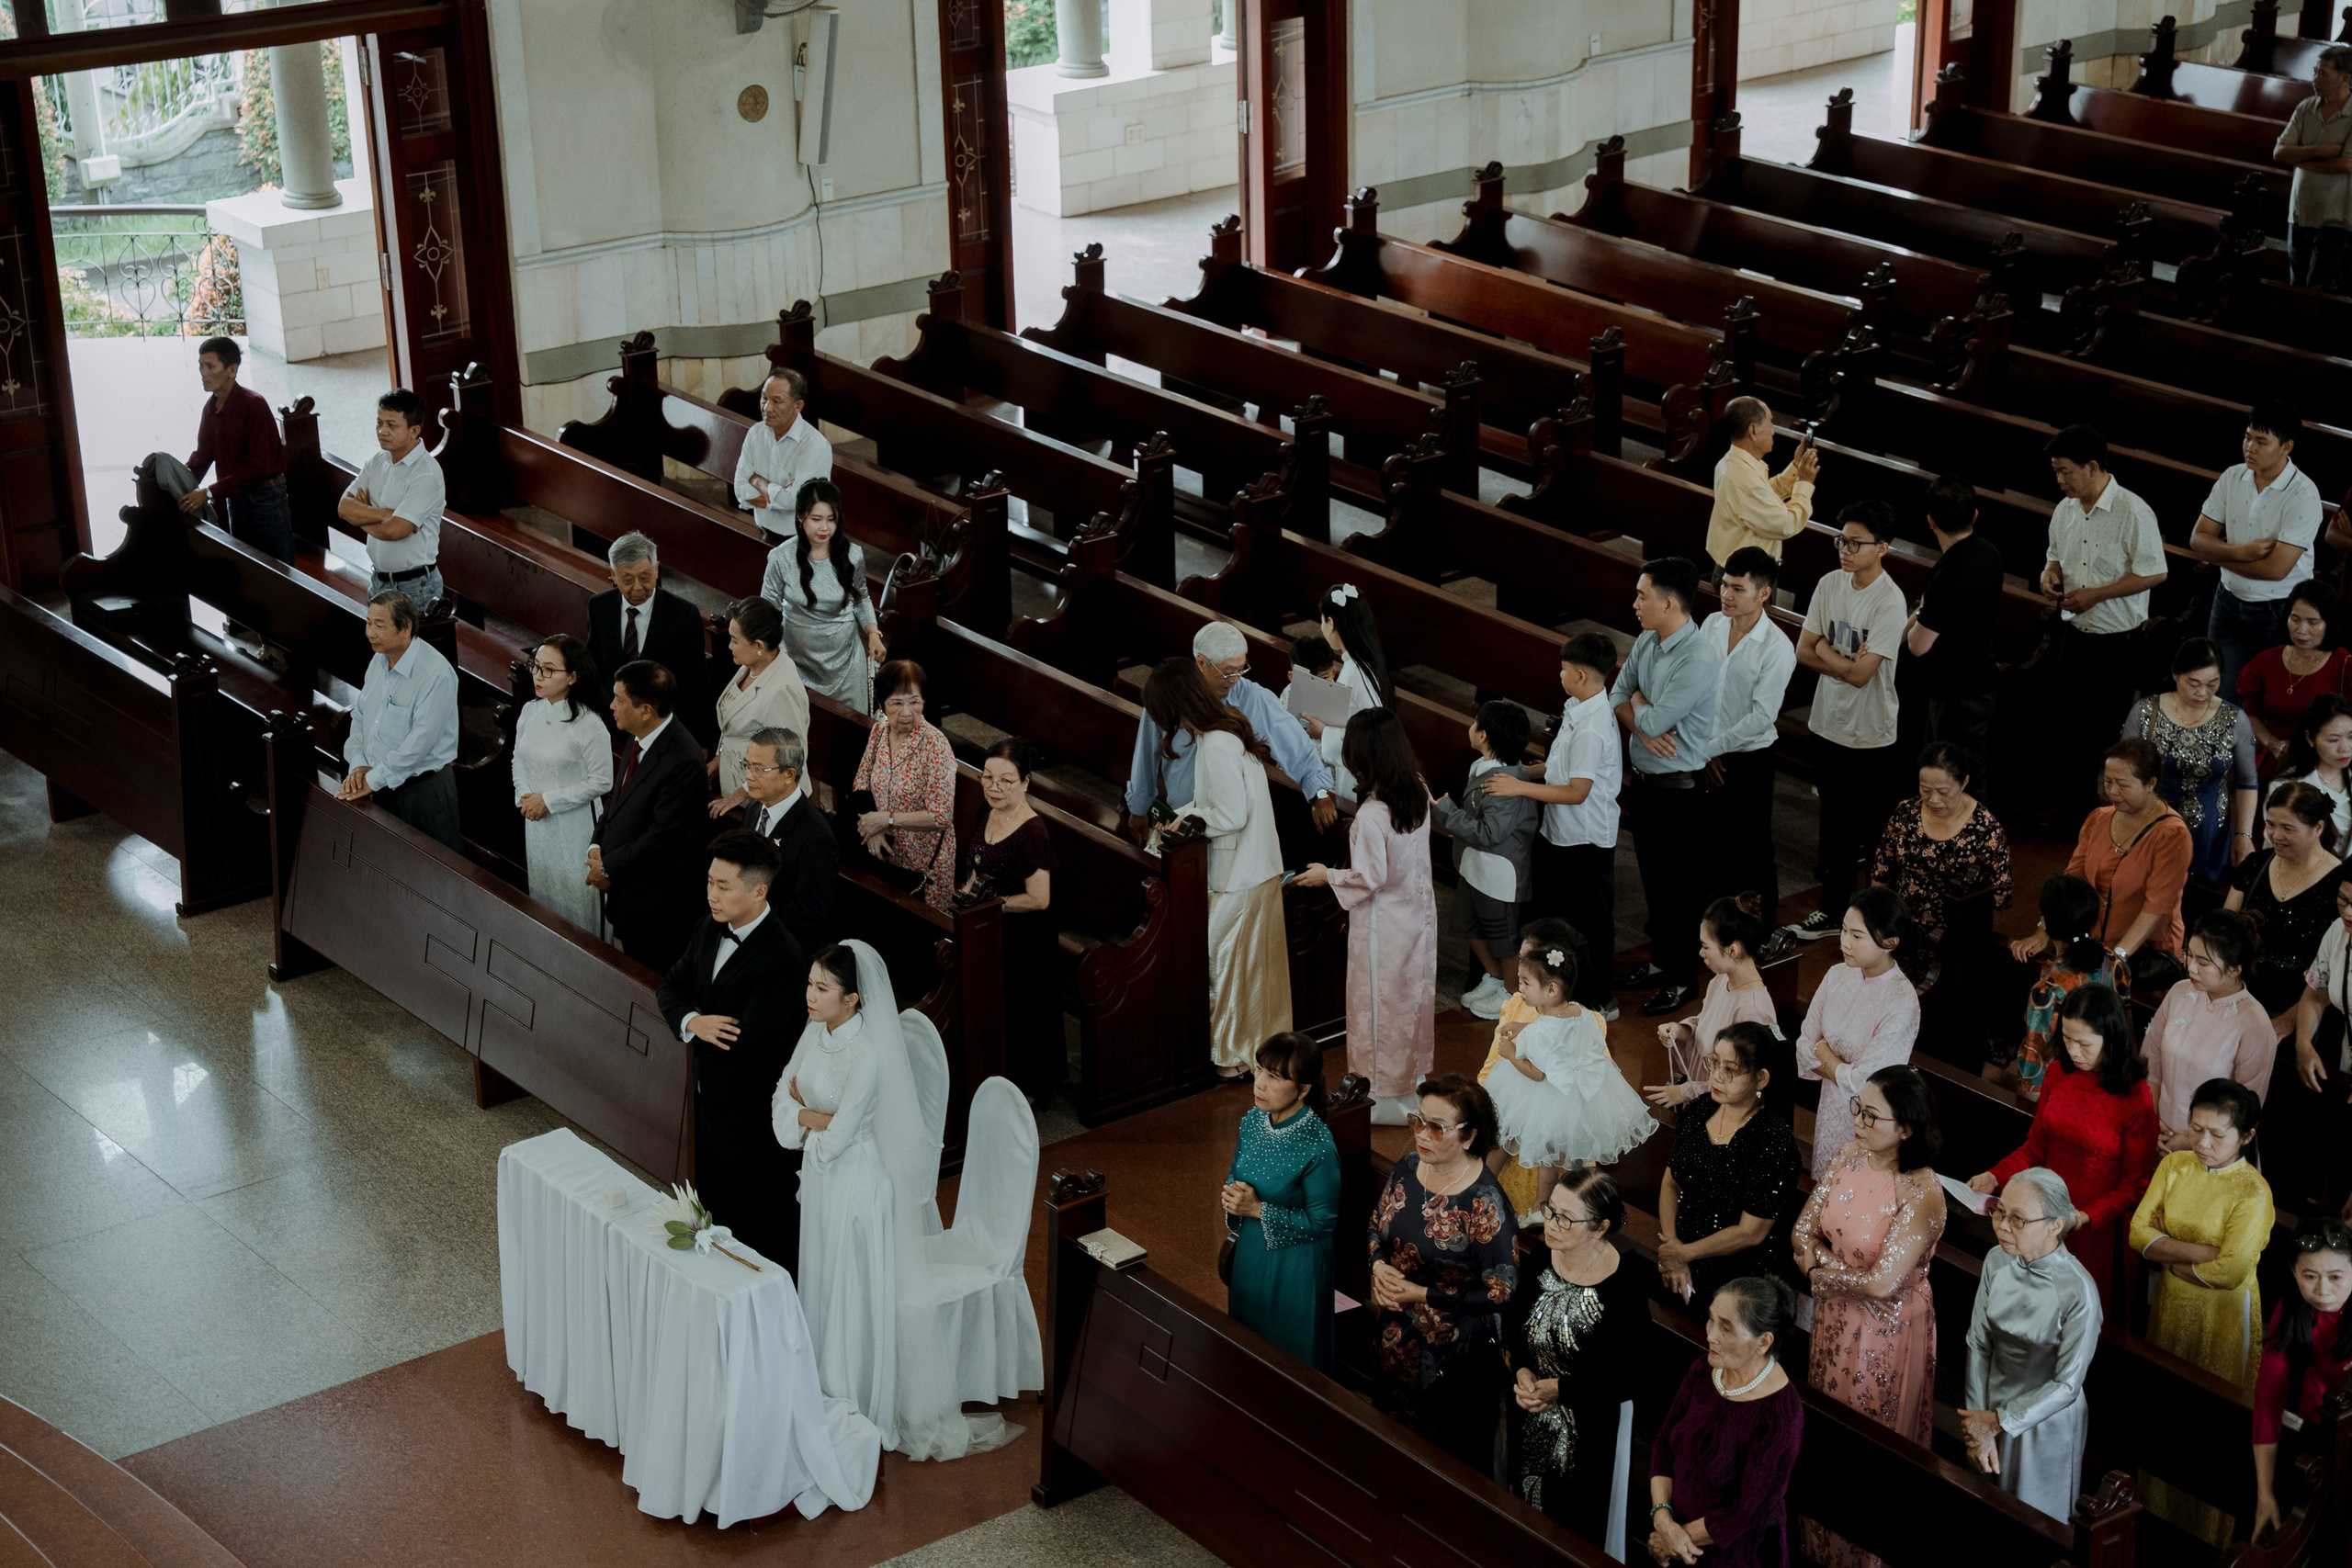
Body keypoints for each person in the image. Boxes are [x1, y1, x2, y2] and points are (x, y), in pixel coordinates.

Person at [773, 941, 1022, 1461]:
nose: (810, 995)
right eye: (811, 984)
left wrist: (806, 1115)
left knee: (853, 1291)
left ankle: (857, 1397)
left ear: (854, 999)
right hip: (821, 1180)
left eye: (823, 988)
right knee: (821, 1279)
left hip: (857, 1189)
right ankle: (821, 1382)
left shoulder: (869, 1056)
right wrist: (807, 1117)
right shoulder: (814, 1030)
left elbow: (840, 1139)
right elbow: (779, 1103)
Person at [1792, 1065, 1946, 1568]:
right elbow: (1802, 1231)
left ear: (1906, 1128)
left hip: (1886, 1330)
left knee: (1867, 1445)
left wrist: (1819, 1271)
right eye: (1858, 1108)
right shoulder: (1849, 1155)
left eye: (1871, 1115)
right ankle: (1819, 1547)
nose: (1857, 1120)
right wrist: (1823, 1270)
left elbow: (1884, 1283)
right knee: (1828, 1431)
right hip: (1835, 1317)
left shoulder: (1920, 1193)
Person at [657, 830, 808, 1269]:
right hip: (710, 1103)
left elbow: (746, 1042)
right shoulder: (709, 927)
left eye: (723, 886)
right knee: (715, 1211)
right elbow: (671, 987)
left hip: (754, 1114)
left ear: (759, 891)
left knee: (760, 1224)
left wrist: (702, 1030)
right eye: (709, 882)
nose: (711, 894)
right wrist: (693, 1022)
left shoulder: (783, 958)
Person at [1146, 657, 1293, 1079]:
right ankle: (1255, 1046)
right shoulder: (1223, 730)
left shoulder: (1216, 743)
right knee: (1249, 966)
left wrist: (1190, 820)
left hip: (1240, 871)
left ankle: (1231, 1054)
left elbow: (1230, 816)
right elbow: (1222, 804)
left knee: (1224, 964)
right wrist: (1182, 814)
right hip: (1252, 865)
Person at [1969, 984, 2157, 1312]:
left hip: (2095, 1229)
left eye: (2084, 1043)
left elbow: (2135, 1185)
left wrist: (2087, 1216)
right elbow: (2035, 1148)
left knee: (2074, 1316)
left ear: (2111, 1039)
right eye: (2067, 1039)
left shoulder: (2135, 1098)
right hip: (2041, 1215)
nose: (2074, 1051)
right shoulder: (2058, 1074)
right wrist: (1994, 1175)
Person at [1367, 1074, 1517, 1471]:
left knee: (1439, 1451)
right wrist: (1378, 1268)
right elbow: (1374, 1225)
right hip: (1394, 1329)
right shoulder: (1408, 1166)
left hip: (1452, 1351)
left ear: (1468, 1137)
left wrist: (1422, 1296)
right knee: (1391, 1435)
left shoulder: (1485, 1203)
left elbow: (1501, 1293)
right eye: (1418, 1121)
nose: (1422, 1134)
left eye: (1436, 1127)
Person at [1296, 711, 1434, 1126]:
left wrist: (1327, 874)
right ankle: (1413, 1081)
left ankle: (1380, 1093)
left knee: (1380, 1006)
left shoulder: (1374, 813)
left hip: (1383, 925)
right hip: (1418, 915)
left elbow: (1371, 877)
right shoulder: (1418, 789)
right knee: (1411, 1001)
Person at [1507, 1168, 1652, 1555]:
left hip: (1589, 1429)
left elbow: (1631, 1376)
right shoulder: (1541, 1257)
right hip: (1530, 1410)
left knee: (1574, 1526)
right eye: (1550, 1210)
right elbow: (1515, 1327)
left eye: (1566, 1219)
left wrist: (1561, 1389)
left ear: (1601, 1227)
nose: (1551, 1224)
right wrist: (1520, 1372)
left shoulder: (1625, 1287)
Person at [1785, 502, 1909, 943]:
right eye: (1842, 540)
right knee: (1834, 826)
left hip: (1870, 733)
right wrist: (1842, 663)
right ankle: (1831, 912)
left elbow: (1863, 676)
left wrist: (1830, 659)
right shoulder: (1829, 583)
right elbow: (1803, 651)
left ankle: (1877, 921)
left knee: (1872, 831)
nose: (1845, 549)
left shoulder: (1889, 602)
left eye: (1855, 543)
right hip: (1827, 722)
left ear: (1883, 549)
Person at [1484, 633, 1623, 1021]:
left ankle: (1599, 999)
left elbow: (1578, 790)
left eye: (1563, 669)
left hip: (1584, 838)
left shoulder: (1593, 725)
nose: (1559, 674)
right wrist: (1523, 772)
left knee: (1590, 923)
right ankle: (1558, 989)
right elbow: (1559, 765)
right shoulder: (1579, 706)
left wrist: (1518, 786)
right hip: (1559, 832)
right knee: (1558, 914)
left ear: (1579, 674)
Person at [1611, 558, 1725, 1013]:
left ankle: (1683, 979)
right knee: (1655, 885)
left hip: (1681, 792)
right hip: (1645, 785)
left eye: (1642, 595)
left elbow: (1654, 717)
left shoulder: (1697, 657)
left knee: (1682, 891)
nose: (1635, 603)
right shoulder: (1646, 640)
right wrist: (1641, 715)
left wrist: (1640, 712)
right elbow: (1617, 694)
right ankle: (1661, 962)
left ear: (1670, 602)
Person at [1960, 1168, 2104, 1524]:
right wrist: (1978, 1423)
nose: (2003, 1226)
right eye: (2000, 1212)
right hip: (1989, 1400)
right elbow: (1978, 1342)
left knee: (2036, 1523)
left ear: (2055, 1225)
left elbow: (2067, 1384)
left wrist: (1999, 1421)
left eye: (2018, 1219)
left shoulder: (2078, 1290)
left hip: (2046, 1420)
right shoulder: (1997, 1261)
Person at [2042, 424, 2167, 807]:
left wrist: (2097, 594)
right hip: (2074, 634)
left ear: (2093, 467)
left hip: (2116, 643)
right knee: (2066, 726)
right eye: (2056, 471)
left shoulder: (2132, 511)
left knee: (2101, 733)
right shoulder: (2065, 509)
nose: (2059, 480)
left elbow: (2155, 572)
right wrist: (2050, 575)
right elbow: (2054, 555)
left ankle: (2097, 810)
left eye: (2066, 471)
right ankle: (2068, 809)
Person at [1645, 1275, 1804, 1568]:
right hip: (1674, 1534)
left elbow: (1746, 1512)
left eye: (1726, 1328)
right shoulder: (1703, 1370)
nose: (1711, 1335)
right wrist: (1662, 1517)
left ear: (1763, 1342)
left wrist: (1673, 1541)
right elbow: (1664, 1444)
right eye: (1711, 1320)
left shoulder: (1781, 1414)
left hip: (1732, 1554)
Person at [1126, 621, 1336, 837]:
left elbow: (1295, 747)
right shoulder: (1167, 695)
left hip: (1233, 823)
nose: (1236, 679)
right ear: (1201, 662)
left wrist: (1319, 792)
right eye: (1228, 672)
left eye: (1241, 669)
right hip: (1183, 816)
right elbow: (1146, 754)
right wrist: (1138, 809)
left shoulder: (1253, 698)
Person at [2132, 1078, 2277, 1390]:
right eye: (2196, 1129)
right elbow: (2137, 1234)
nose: (2202, 1143)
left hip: (2223, 1312)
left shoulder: (2254, 1193)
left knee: (2215, 1399)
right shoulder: (2173, 1165)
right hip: (2172, 1298)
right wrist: (2205, 1253)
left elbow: (2231, 1271)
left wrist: (2168, 1257)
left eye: (2217, 1135)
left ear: (2246, 1136)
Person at [2012, 739, 2193, 987]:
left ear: (2150, 783)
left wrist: (2115, 960)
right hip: (2093, 947)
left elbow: (2155, 909)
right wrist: (2043, 931)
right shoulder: (2099, 818)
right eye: (2108, 782)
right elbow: (2070, 883)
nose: (2113, 792)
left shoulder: (2172, 835)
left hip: (2143, 953)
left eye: (2122, 784)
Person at [1657, 1021, 1805, 1309]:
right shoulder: (1701, 1110)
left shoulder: (1773, 1141)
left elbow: (1751, 1232)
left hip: (1739, 1279)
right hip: (1680, 1257)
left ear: (1761, 1079)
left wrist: (1684, 1254)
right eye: (1714, 1063)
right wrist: (1672, 1248)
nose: (1716, 1076)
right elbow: (1670, 1181)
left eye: (1730, 1069)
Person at [1484, 942, 1656, 1182]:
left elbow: (1537, 1073)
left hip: (1542, 1095)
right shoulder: (1579, 1012)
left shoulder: (1541, 1030)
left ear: (1551, 989)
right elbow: (1559, 1033)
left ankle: (1486, 1182)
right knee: (1551, 1157)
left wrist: (1511, 1053)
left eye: (1525, 983)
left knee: (1507, 1133)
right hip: (1575, 1095)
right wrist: (1525, 1027)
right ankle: (1541, 1206)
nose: (1519, 987)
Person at [1222, 1032, 1341, 1371]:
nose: (1259, 1083)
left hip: (1297, 1263)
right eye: (1259, 1070)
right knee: (1248, 1341)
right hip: (1253, 1249)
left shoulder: (1318, 1146)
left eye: (1274, 1077)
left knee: (1291, 1353)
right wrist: (1233, 1194)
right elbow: (1237, 1170)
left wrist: (1256, 1209)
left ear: (1303, 1089)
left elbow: (1323, 1223)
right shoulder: (1254, 1120)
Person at [2191, 406, 2327, 694]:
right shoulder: (2232, 476)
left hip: (2277, 610)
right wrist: (2241, 552)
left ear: (2286, 447)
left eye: (2261, 441)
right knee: (2221, 692)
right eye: (2247, 437)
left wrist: (2219, 555)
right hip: (2227, 600)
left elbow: (2276, 570)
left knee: (2270, 695)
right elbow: (2198, 540)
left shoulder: (2302, 493)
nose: (2249, 448)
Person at [589, 660, 709, 972]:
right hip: (629, 892)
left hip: (657, 907)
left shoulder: (683, 760)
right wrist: (596, 844)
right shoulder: (638, 733)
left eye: (619, 700)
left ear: (645, 710)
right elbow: (619, 800)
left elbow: (662, 837)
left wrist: (608, 868)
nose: (611, 705)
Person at [1795, 887, 1923, 1179]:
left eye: (1857, 936)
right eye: (1843, 931)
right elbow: (1804, 1044)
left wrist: (1824, 1052)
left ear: (1890, 942)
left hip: (1873, 1120)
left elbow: (1864, 1084)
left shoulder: (1900, 1002)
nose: (1844, 942)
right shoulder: (1837, 975)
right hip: (1830, 1108)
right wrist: (1838, 1067)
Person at [963, 738, 1064, 1100]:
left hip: (1026, 940)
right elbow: (976, 865)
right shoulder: (986, 810)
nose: (994, 787)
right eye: (988, 777)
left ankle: (1029, 1089)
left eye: (1006, 780)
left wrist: (994, 905)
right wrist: (967, 897)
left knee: (1023, 1014)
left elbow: (1040, 898)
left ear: (1026, 781)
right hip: (992, 927)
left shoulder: (1033, 831)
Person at [1704, 547, 1797, 927]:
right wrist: (1704, 748)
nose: (1726, 594)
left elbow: (1761, 717)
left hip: (1747, 760)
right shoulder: (1711, 624)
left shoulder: (1776, 648)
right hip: (1706, 751)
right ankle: (1715, 929)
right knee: (1710, 845)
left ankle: (1760, 933)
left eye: (1737, 588)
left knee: (1752, 851)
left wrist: (1710, 748)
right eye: (1724, 585)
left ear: (1764, 593)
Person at [1870, 740, 2013, 980]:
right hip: (1898, 930)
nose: (1933, 800)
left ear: (1964, 782)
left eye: (1943, 792)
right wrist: (1880, 926)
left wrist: (1959, 939)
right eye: (1925, 790)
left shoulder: (1985, 830)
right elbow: (1881, 873)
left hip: (1951, 943)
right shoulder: (1906, 812)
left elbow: (1997, 901)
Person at [2120, 637, 2260, 882]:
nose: (2202, 693)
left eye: (2212, 684)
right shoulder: (2145, 712)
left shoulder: (2235, 720)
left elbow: (2247, 781)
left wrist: (2243, 835)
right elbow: (2124, 770)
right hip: (2150, 823)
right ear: (2175, 675)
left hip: (2208, 835)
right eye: (2193, 683)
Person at [1433, 700, 1539, 1020]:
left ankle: (1511, 993)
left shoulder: (1504, 782)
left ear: (1484, 736)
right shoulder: (1486, 768)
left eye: (1475, 723)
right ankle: (1494, 976)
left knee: (1502, 935)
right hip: (1475, 867)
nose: (1471, 726)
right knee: (1468, 923)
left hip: (1498, 873)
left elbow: (1491, 832)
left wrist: (1448, 814)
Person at [2143, 911, 2276, 1155]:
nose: (2191, 967)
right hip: (2157, 1133)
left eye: (2203, 963)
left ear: (2235, 969)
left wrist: (2189, 1141)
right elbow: (2152, 1061)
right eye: (2189, 955)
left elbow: (2245, 1108)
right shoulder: (2179, 993)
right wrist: (2152, 1121)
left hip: (2210, 1149)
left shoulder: (2254, 1025)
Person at [338, 591, 461, 852]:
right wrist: (359, 765)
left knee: (434, 875)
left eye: (380, 625)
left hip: (423, 792)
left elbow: (420, 743)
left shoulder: (434, 674)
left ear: (405, 628)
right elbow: (361, 717)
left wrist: (371, 780)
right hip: (380, 782)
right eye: (369, 623)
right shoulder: (378, 661)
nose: (370, 633)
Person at [2252, 1219, 2352, 1540]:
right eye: (2310, 1276)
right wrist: (2264, 1493)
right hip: (2314, 1438)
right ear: (2294, 1272)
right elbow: (2268, 1401)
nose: (2323, 1290)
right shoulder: (2294, 1308)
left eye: (2336, 1277)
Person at [1903, 472, 2004, 772]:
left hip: (1954, 695)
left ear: (1930, 521)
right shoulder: (1990, 553)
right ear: (1974, 514)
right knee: (1971, 776)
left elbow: (1918, 646)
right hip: (1983, 680)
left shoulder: (1947, 574)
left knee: (1947, 777)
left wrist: (1922, 611)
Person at [513, 632, 611, 931]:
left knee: (576, 899)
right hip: (536, 821)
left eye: (548, 670)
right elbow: (518, 758)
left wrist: (548, 801)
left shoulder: (589, 724)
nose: (537, 676)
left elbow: (602, 781)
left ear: (572, 677)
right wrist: (526, 796)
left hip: (575, 825)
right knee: (545, 890)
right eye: (535, 666)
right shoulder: (530, 710)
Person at [762, 479, 886, 712]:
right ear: (800, 517)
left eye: (831, 520)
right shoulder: (780, 558)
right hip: (796, 660)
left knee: (850, 728)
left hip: (846, 663)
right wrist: (780, 655)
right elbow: (768, 611)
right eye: (816, 519)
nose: (825, 528)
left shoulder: (853, 555)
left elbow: (861, 598)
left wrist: (872, 633)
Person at [1647, 893, 1782, 1107]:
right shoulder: (1720, 980)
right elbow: (1704, 1022)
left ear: (1732, 950)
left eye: (1706, 946)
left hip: (1722, 1109)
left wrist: (1686, 1091)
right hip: (1702, 1094)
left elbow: (1742, 1082)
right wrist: (1680, 1031)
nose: (1701, 953)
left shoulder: (1753, 1010)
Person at [2004, 874, 2129, 1102]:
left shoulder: (2048, 990)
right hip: (2109, 1086)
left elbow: (2036, 1061)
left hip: (2065, 1095)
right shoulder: (2115, 963)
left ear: (2046, 921)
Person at [2225, 782, 2346, 1013]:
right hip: (2242, 992)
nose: (2275, 835)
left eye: (2288, 828)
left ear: (2318, 828)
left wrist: (2293, 1019)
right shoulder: (2255, 865)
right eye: (2271, 825)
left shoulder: (2339, 882)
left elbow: (2337, 967)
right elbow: (2224, 931)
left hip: (2303, 1002)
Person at [588, 532, 715, 750]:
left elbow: (697, 684)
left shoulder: (683, 615)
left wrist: (701, 742)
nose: (638, 587)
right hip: (614, 727)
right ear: (613, 574)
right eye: (627, 579)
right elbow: (595, 666)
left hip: (665, 732)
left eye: (645, 577)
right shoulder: (599, 606)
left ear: (656, 570)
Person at [852, 660, 957, 912]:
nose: (907, 712)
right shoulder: (879, 732)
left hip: (923, 865)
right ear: (881, 705)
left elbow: (941, 815)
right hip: (884, 854)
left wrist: (885, 819)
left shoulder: (935, 745)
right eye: (897, 704)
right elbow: (861, 782)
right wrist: (873, 827)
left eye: (915, 702)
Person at [180, 335, 290, 563]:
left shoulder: (254, 404)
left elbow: (259, 466)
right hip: (236, 500)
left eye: (210, 366)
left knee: (280, 573)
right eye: (201, 366)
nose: (203, 373)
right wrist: (175, 482)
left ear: (232, 369)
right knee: (248, 570)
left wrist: (208, 493)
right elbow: (202, 457)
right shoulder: (210, 408)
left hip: (265, 501)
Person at [336, 389, 447, 608]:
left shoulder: (426, 474)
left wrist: (361, 517)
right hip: (379, 580)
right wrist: (386, 515)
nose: (381, 431)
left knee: (410, 644)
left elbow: (395, 531)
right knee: (378, 642)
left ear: (414, 430)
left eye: (391, 425)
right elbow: (344, 508)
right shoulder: (377, 461)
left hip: (415, 585)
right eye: (379, 423)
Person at [707, 594, 810, 822]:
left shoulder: (782, 691)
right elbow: (732, 726)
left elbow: (791, 757)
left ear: (759, 646)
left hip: (766, 802)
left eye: (735, 640)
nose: (729, 646)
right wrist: (717, 761)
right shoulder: (754, 664)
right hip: (738, 782)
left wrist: (741, 793)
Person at [2283, 876, 2352, 1213]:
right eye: (2342, 900)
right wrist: (2303, 1043)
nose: (2348, 911)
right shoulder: (2339, 931)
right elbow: (2315, 994)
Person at [737, 727, 835, 953]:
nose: (749, 776)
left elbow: (811, 909)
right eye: (747, 766)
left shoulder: (816, 835)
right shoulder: (754, 809)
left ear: (789, 775)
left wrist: (752, 915)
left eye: (759, 769)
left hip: (784, 945)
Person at [2239, 582, 2348, 782]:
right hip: (2277, 760)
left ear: (2329, 623)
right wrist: (2273, 744)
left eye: (2313, 622)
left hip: (2329, 767)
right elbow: (2250, 714)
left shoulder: (2345, 665)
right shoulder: (2265, 662)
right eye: (2295, 619)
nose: (2301, 630)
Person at [1298, 584, 1392, 803]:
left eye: (1322, 621)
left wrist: (1324, 732)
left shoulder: (1356, 671)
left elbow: (1371, 733)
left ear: (1331, 623)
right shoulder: (1363, 661)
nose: (1322, 627)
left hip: (1362, 773)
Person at [2272, 45, 2352, 290]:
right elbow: (2279, 153)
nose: (2314, 79)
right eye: (2315, 71)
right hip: (2299, 213)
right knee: (2296, 286)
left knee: (2319, 289)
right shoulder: (2306, 107)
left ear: (2346, 79)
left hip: (2335, 219)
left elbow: (2347, 164)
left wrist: (2298, 160)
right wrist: (2316, 151)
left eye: (2323, 74)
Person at [1704, 396, 1817, 565]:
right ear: (1753, 431)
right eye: (1770, 424)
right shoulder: (1744, 480)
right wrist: (1804, 485)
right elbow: (1786, 524)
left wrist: (1795, 468)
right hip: (1746, 576)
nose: (1773, 431)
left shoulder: (1730, 461)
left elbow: (1764, 495)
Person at [734, 367, 833, 539]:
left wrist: (759, 482)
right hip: (763, 532)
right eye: (764, 399)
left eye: (777, 401)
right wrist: (780, 495)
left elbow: (795, 501)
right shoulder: (755, 433)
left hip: (801, 541)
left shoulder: (815, 446)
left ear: (798, 406)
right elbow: (740, 489)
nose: (767, 408)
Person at [2269, 693, 2352, 844]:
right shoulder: (2286, 785)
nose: (2345, 748)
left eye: (2351, 737)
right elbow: (2277, 846)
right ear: (2310, 738)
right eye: (2333, 740)